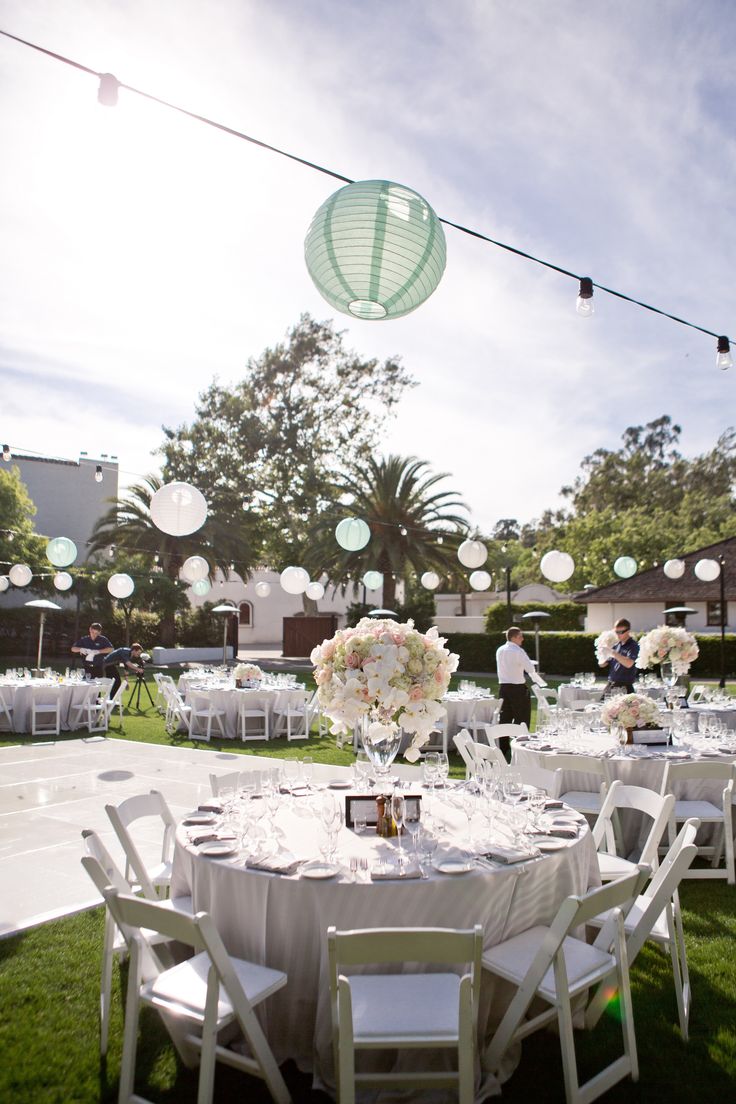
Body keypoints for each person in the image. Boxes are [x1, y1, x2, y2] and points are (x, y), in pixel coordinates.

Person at [496, 626, 537, 756]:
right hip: (518, 688)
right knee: (522, 717)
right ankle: (521, 746)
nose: (522, 639)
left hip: (503, 687)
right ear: (513, 638)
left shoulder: (500, 650)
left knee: (505, 717)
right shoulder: (518, 651)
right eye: (520, 637)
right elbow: (530, 669)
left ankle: (503, 747)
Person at [600, 618, 640, 695]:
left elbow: (629, 664)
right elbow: (602, 664)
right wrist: (602, 653)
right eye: (616, 632)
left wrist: (613, 653)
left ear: (628, 631)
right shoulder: (616, 645)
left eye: (620, 632)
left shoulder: (633, 646)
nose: (618, 634)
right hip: (611, 684)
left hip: (625, 686)